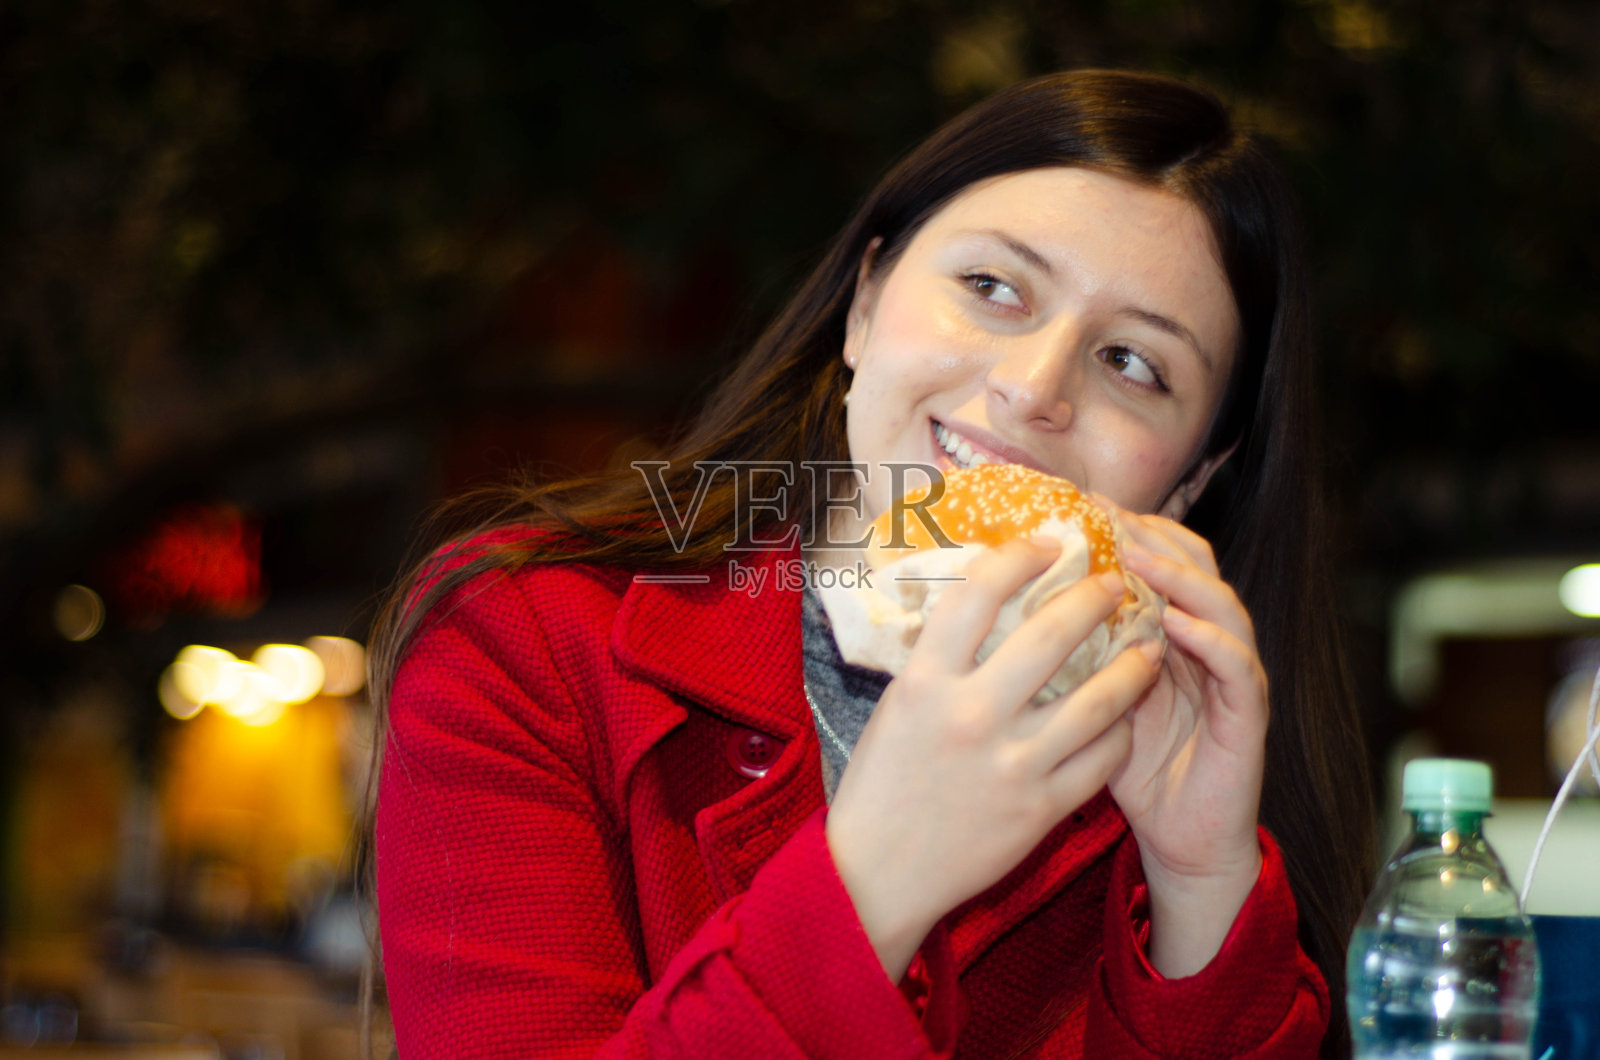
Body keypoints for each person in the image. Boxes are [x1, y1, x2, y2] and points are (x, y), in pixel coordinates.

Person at [365, 69, 1375, 1059]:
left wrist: (1200, 886)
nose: (1032, 389)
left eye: (1132, 364)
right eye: (991, 287)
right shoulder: (524, 637)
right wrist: (874, 879)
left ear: (1195, 475)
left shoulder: (1174, 769)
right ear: (864, 304)